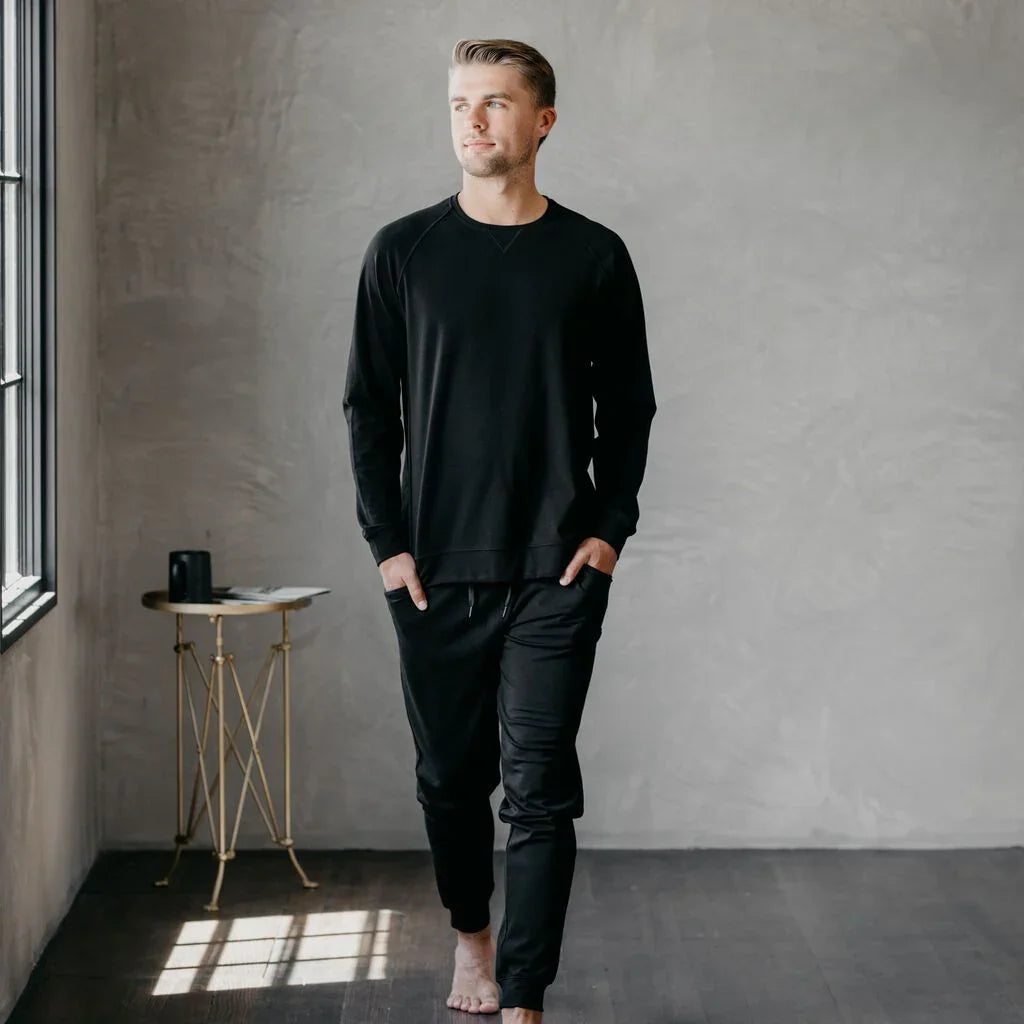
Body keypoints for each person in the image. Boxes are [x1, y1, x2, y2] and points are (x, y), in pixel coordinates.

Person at [342, 37, 657, 1023]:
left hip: (555, 572)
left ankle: (522, 994)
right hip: (433, 572)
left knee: (539, 788)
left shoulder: (593, 255)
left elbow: (630, 409)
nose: (471, 119)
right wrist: (387, 548)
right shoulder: (403, 252)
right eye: (457, 104)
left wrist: (607, 531)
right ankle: (470, 935)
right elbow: (367, 410)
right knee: (449, 781)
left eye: (494, 102)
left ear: (542, 122)